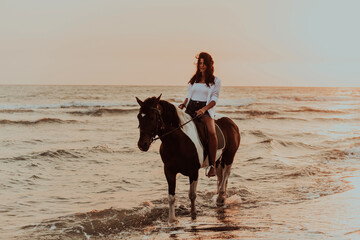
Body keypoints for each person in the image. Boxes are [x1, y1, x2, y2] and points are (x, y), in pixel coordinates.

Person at [178, 52, 221, 178]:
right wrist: (183, 104)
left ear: (209, 64)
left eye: (204, 63)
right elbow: (188, 96)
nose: (201, 66)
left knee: (211, 133)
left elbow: (214, 99)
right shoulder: (194, 80)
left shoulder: (215, 81)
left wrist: (204, 109)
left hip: (205, 109)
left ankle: (212, 166)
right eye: (200, 63)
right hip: (191, 107)